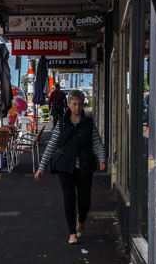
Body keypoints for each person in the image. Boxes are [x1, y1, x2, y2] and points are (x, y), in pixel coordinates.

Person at [34, 90, 106, 244]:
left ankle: (81, 219)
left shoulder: (88, 124)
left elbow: (97, 143)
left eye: (80, 104)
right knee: (69, 198)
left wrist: (102, 159)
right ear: (68, 105)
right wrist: (41, 167)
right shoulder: (62, 123)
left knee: (85, 201)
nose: (77, 107)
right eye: (74, 104)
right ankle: (72, 233)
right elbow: (51, 145)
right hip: (65, 167)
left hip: (85, 166)